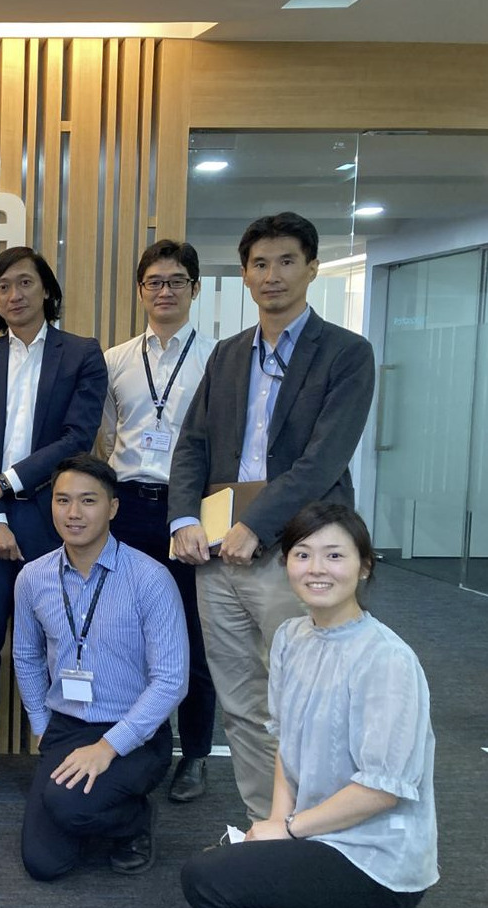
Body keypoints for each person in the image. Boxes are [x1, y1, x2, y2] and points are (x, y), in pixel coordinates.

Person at [169, 212, 375, 820]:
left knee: (303, 701)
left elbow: (322, 462)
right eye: (260, 264)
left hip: (296, 552)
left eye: (287, 261)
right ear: (245, 274)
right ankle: (267, 826)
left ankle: (316, 829)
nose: (272, 275)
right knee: (240, 703)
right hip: (217, 555)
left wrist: (257, 524)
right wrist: (183, 519)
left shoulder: (346, 353)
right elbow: (192, 445)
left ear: (312, 269)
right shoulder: (228, 354)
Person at [182, 503, 436, 908]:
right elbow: (286, 744)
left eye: (334, 556)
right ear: (286, 564)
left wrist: (289, 831)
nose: (317, 568)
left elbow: (383, 790)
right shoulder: (291, 637)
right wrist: (275, 825)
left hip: (375, 861)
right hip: (312, 836)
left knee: (203, 879)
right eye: (302, 555)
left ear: (364, 567)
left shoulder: (387, 660)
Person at [0, 247, 107, 800]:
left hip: (54, 518)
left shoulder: (81, 354)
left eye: (24, 283)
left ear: (46, 290)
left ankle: (63, 754)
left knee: (62, 643)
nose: (13, 295)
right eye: (2, 287)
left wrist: (7, 482)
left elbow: (76, 438)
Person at [14, 454, 188, 880]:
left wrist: (108, 747)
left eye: (88, 500)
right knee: (44, 864)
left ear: (113, 507)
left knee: (69, 805)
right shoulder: (33, 577)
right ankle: (92, 811)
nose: (73, 513)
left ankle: (134, 822)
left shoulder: (150, 578)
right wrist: (40, 724)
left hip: (135, 730)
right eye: (62, 500)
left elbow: (171, 681)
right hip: (66, 726)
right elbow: (26, 655)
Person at [100, 239, 217, 803]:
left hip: (190, 509)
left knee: (193, 635)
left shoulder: (219, 358)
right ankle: (137, 744)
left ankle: (194, 753)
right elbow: (105, 434)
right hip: (127, 506)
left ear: (195, 288)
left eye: (176, 281)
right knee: (128, 633)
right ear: (140, 290)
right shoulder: (116, 359)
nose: (164, 291)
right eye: (154, 282)